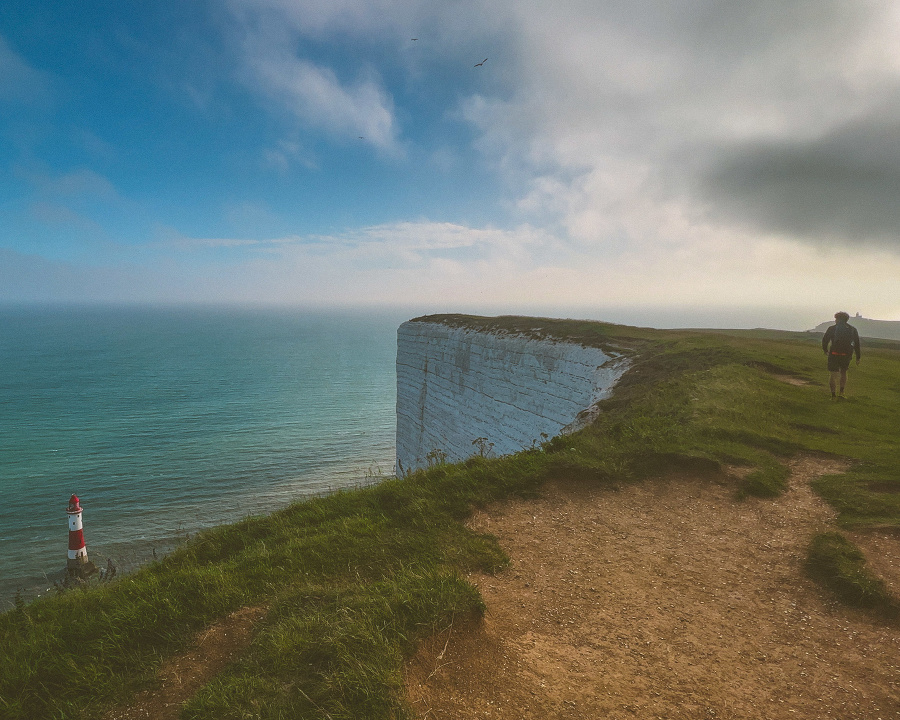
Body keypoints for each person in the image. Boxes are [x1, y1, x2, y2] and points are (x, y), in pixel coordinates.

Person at [821, 311, 861, 399]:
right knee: (844, 372)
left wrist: (825, 350)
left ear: (838, 319)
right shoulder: (852, 329)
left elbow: (825, 340)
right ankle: (841, 392)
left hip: (834, 354)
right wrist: (858, 357)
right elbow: (857, 344)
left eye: (836, 319)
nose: (835, 320)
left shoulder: (832, 328)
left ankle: (833, 395)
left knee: (833, 375)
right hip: (846, 354)